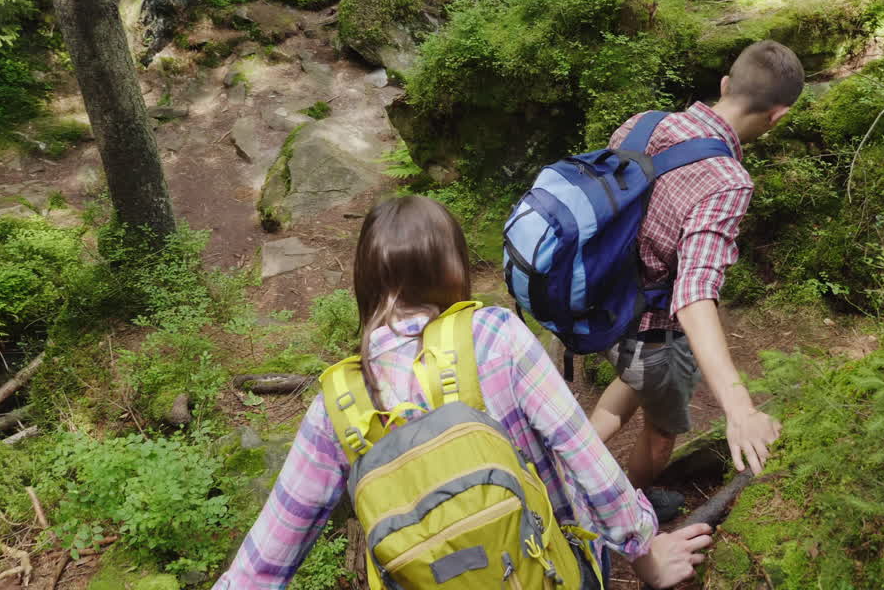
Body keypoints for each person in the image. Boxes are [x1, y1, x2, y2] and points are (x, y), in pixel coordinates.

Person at [214, 195, 713, 590]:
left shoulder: (338, 403)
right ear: (452, 269)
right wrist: (646, 554)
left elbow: (268, 556)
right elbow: (588, 463)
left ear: (364, 284)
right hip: (552, 571)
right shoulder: (495, 335)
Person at [588, 40, 803, 509]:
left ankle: (568, 458)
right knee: (662, 431)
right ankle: (637, 504)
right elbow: (693, 293)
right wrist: (739, 409)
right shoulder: (727, 180)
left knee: (629, 383)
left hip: (602, 308)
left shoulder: (643, 124)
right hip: (653, 332)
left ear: (726, 84)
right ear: (777, 116)